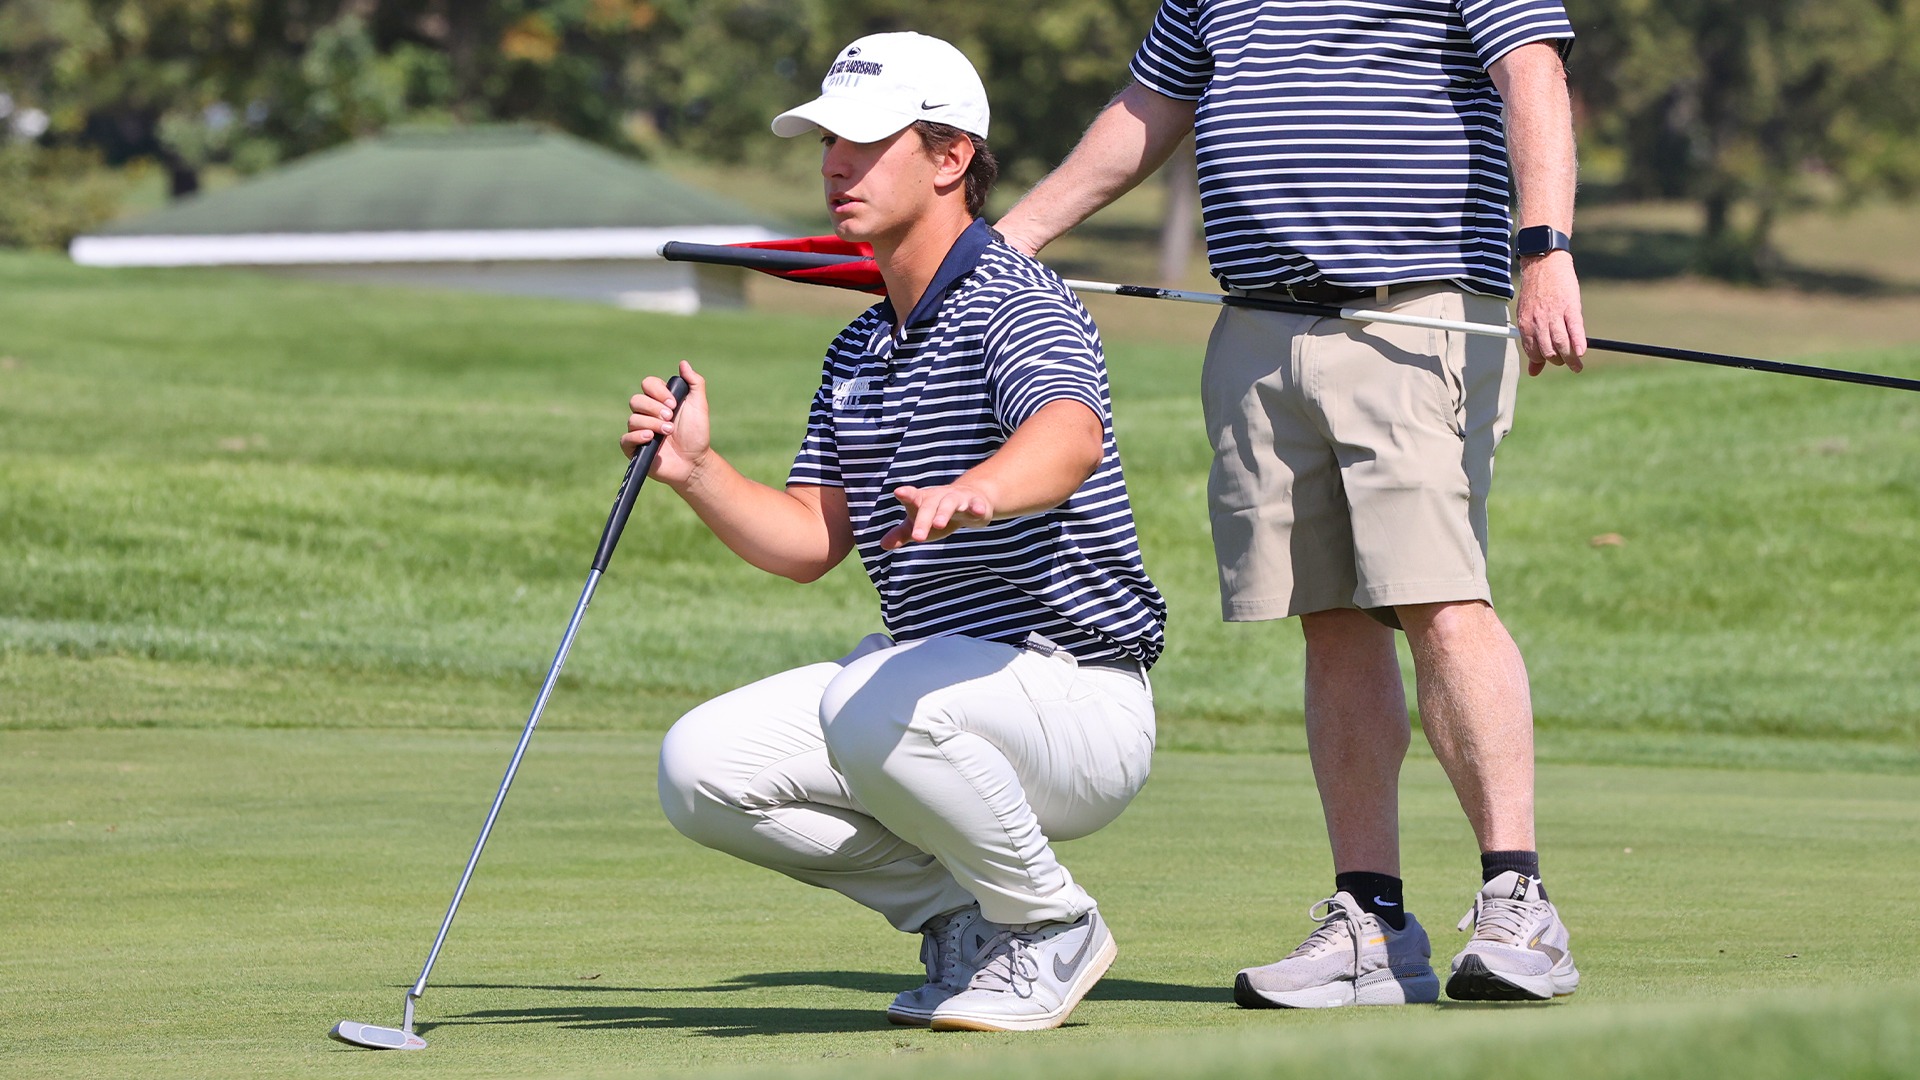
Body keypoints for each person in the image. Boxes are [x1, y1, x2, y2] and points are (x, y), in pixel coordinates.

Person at [994, 1, 1588, 1006]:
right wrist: (1009, 239)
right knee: (1330, 615)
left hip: (1416, 304)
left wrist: (1545, 248)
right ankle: (1372, 920)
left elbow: (1530, 72)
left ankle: (1519, 901)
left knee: (1437, 595)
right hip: (1263, 324)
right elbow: (1149, 106)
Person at [622, 31, 1167, 1033]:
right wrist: (697, 472)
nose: (836, 165)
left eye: (866, 143)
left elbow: (1068, 435)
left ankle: (1051, 924)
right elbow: (806, 540)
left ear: (951, 157)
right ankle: (961, 916)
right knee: (702, 765)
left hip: (1078, 697)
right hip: (933, 693)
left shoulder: (1019, 302)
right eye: (828, 142)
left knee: (878, 704)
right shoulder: (863, 345)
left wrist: (983, 491)